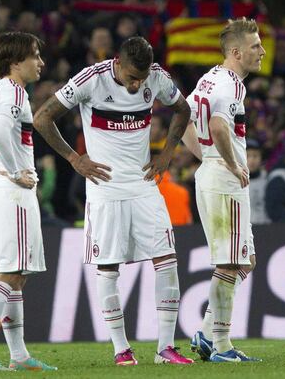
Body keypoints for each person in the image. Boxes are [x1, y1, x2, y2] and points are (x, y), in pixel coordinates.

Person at [33, 37, 193, 366]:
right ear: (117, 62)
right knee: (108, 267)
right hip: (105, 188)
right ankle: (121, 349)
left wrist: (167, 153)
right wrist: (75, 159)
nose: (138, 85)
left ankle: (166, 347)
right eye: (133, 77)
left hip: (143, 184)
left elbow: (183, 109)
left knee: (167, 259)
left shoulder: (156, 77)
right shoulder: (91, 79)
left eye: (142, 78)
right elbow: (42, 117)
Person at [0, 32, 56, 372]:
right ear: (16, 62)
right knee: (8, 271)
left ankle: (18, 355)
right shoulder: (13, 92)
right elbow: (0, 134)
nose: (41, 62)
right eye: (35, 56)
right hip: (14, 192)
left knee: (19, 274)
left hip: (7, 189)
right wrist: (12, 172)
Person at [180, 17, 264, 363]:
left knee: (246, 261)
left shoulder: (208, 78)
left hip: (212, 172)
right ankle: (223, 345)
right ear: (236, 51)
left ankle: (205, 331)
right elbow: (217, 125)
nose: (261, 51)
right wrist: (228, 162)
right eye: (255, 46)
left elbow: (185, 120)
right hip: (224, 180)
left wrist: (208, 157)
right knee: (230, 263)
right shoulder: (230, 85)